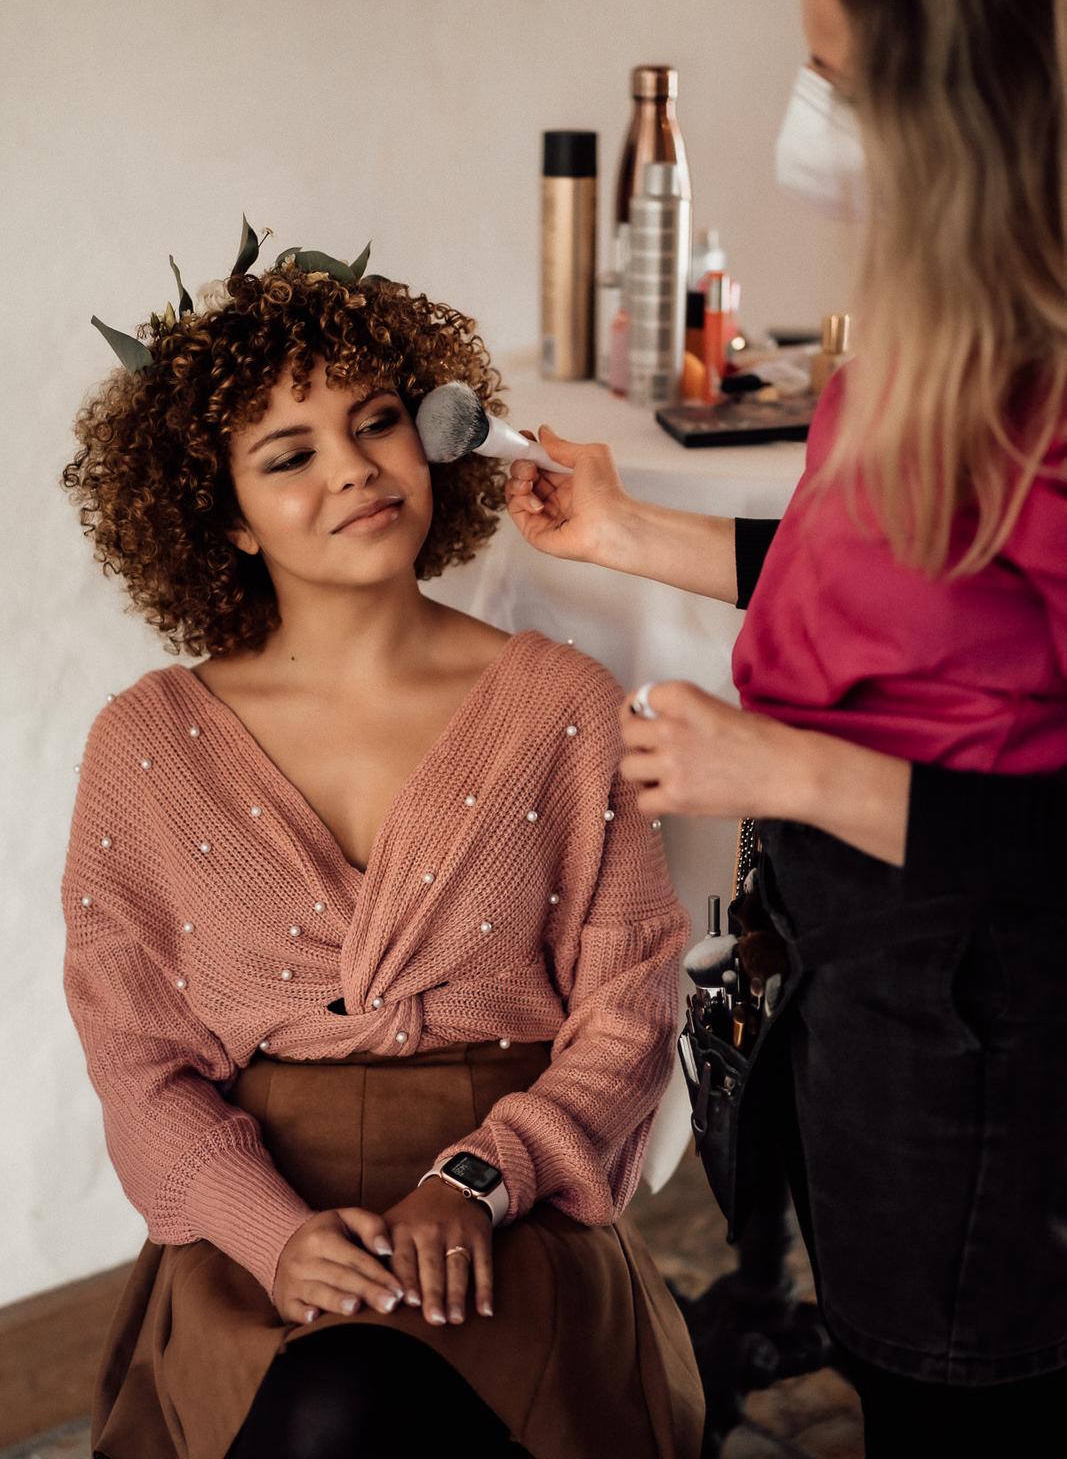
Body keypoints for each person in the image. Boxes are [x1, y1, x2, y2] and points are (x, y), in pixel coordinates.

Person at [504, 0, 1067, 1453]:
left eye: (839, 80)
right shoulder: (933, 310)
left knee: (957, 1381)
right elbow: (871, 580)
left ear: (970, 106)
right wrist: (632, 534)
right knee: (886, 1342)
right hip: (853, 948)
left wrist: (785, 767)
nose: (805, 116)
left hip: (982, 982)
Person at [60, 242, 704, 1459]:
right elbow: (135, 1060)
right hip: (257, 1212)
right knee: (321, 1407)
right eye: (288, 455)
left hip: (514, 1197)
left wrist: (478, 1180)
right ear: (223, 515)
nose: (354, 468)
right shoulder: (144, 744)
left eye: (376, 423)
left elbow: (629, 1008)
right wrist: (272, 1236)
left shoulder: (561, 705)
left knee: (353, 1410)